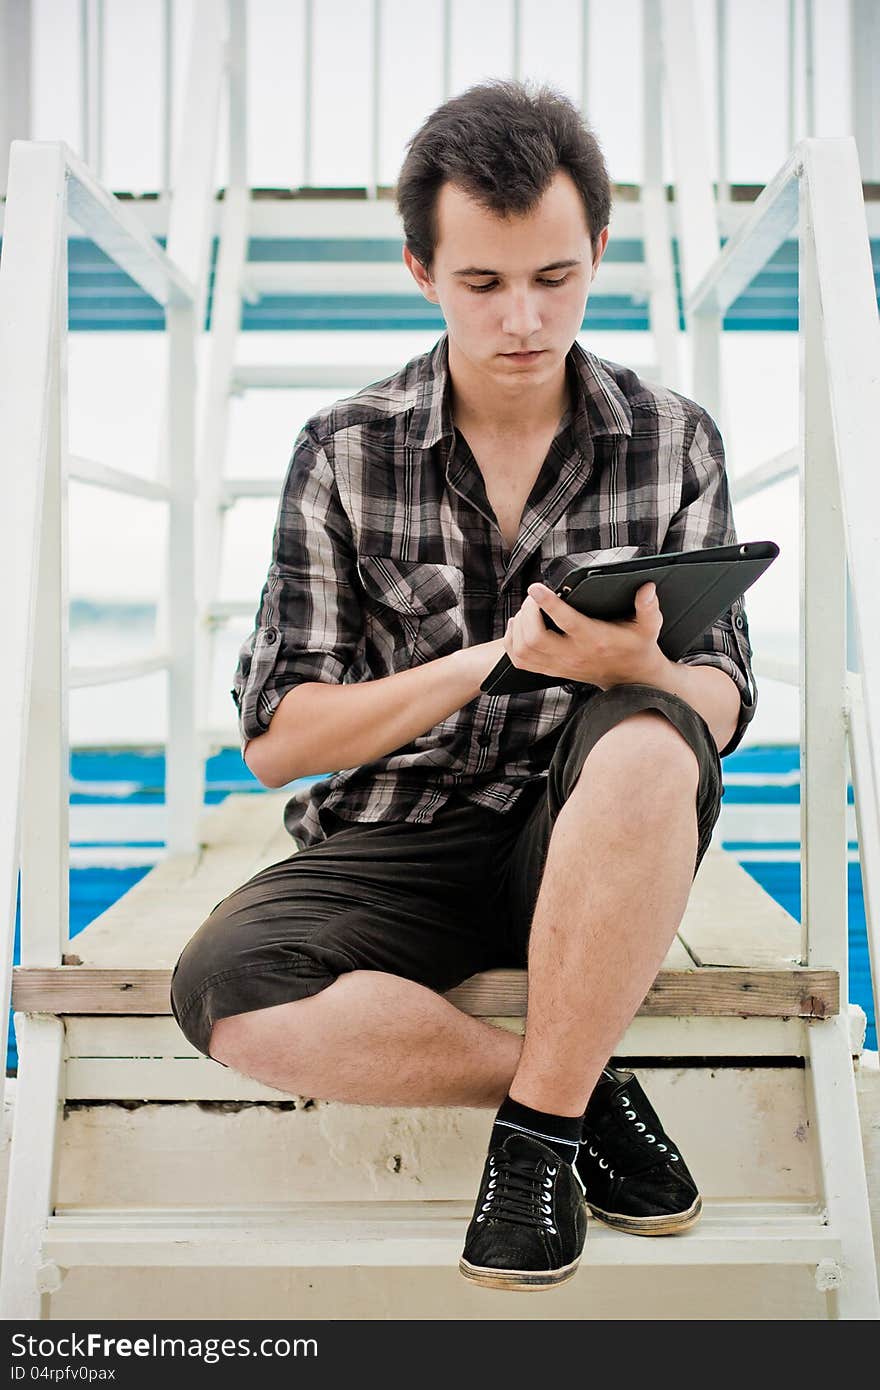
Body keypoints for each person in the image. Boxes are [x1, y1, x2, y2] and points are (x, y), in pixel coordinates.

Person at [170, 78, 757, 1292]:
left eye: (553, 277)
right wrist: (492, 654)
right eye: (482, 284)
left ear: (597, 249)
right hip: (403, 837)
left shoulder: (674, 439)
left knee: (649, 735)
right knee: (225, 989)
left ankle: (534, 1144)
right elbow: (280, 743)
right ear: (421, 272)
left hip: (590, 828)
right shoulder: (344, 449)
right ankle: (576, 1082)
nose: (523, 319)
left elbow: (724, 707)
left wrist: (629, 668)